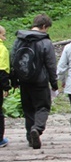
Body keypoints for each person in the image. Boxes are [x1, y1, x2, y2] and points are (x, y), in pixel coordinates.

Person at [10, 14, 59, 148]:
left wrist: (14, 81)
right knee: (43, 107)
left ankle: (30, 138)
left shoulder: (19, 39)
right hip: (40, 81)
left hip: (24, 80)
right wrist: (54, 84)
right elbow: (51, 65)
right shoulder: (45, 42)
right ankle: (37, 129)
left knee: (28, 109)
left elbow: (13, 60)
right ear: (44, 26)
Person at [0, 25, 10, 147]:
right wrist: (5, 87)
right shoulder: (2, 49)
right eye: (3, 35)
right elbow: (2, 69)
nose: (5, 38)